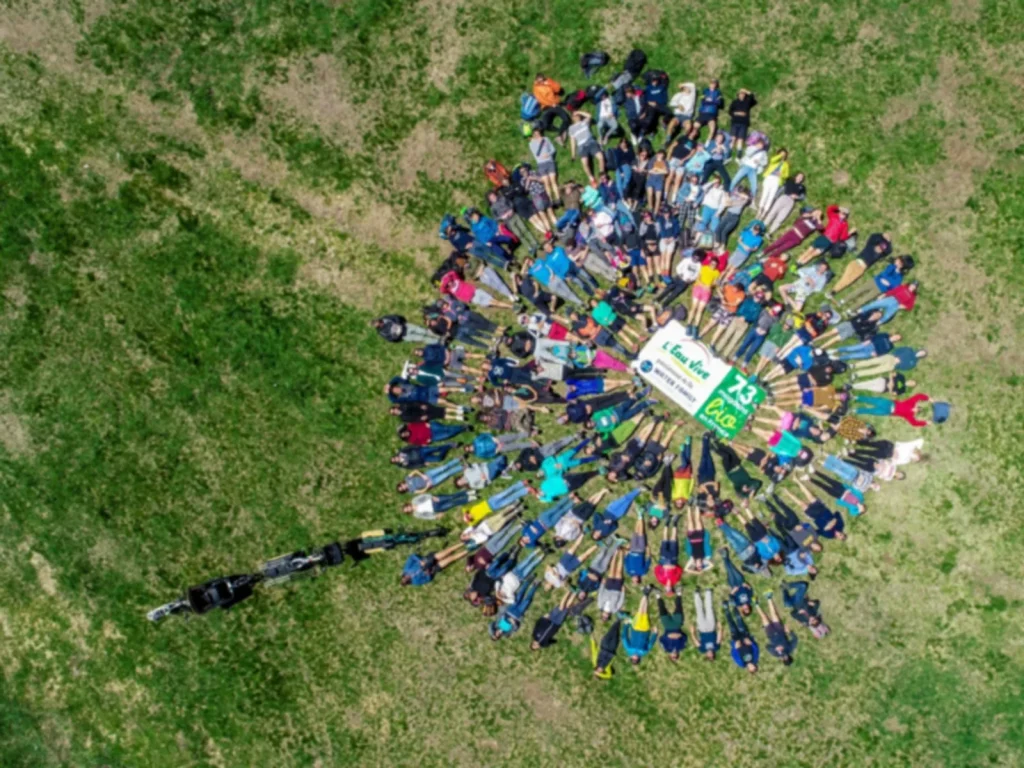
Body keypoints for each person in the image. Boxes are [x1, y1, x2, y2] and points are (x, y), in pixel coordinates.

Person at [829, 232, 893, 294]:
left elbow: (889, 251)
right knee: (845, 277)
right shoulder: (870, 246)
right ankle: (833, 290)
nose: (879, 249)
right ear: (877, 245)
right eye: (879, 247)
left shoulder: (878, 256)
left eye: (881, 250)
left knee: (849, 281)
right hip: (855, 263)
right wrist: (882, 235)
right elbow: (873, 236)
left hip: (861, 269)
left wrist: (889, 242)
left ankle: (834, 291)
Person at [755, 592, 799, 665]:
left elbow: (767, 647)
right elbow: (795, 639)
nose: (785, 656)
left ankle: (756, 604)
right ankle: (769, 597)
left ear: (782, 660)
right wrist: (789, 632)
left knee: (764, 617)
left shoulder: (775, 654)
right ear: (789, 656)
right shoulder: (790, 648)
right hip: (780, 630)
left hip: (770, 634)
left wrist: (774, 648)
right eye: (787, 657)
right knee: (774, 614)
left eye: (784, 659)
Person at [852, 392, 941, 427]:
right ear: (917, 406)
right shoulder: (911, 403)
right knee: (872, 400)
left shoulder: (909, 415)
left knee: (871, 411)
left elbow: (914, 423)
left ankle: (855, 410)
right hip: (888, 403)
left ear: (917, 412)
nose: (916, 409)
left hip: (887, 411)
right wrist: (929, 398)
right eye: (918, 407)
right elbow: (918, 396)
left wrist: (925, 422)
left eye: (918, 410)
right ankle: (856, 397)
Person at [400, 541, 469, 586]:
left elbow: (412, 556)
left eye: (405, 578)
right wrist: (428, 574)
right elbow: (428, 579)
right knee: (450, 559)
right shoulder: (415, 582)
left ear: (403, 576)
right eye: (407, 580)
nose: (407, 578)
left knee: (447, 551)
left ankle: (463, 543)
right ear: (408, 582)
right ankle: (468, 550)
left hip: (427, 561)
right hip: (433, 569)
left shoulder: (407, 569)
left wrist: (420, 561)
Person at [622, 587, 658, 665]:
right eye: (636, 659)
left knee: (640, 611)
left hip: (635, 628)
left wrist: (626, 625)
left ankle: (645, 593)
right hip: (645, 630)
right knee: (645, 612)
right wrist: (655, 634)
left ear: (631, 657)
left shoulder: (629, 649)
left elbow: (624, 638)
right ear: (639, 659)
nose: (635, 657)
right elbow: (650, 644)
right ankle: (646, 594)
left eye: (633, 658)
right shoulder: (644, 652)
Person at [723, 600, 759, 673]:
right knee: (739, 619)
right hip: (745, 636)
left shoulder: (741, 664)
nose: (752, 666)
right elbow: (756, 648)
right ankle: (734, 606)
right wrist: (751, 643)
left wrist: (735, 647)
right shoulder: (755, 658)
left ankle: (726, 608)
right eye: (754, 666)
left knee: (731, 623)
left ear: (748, 669)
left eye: (751, 668)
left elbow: (734, 655)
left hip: (737, 641)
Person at [568, 110, 605, 181]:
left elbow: (589, 116)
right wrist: (573, 154)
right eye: (575, 116)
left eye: (578, 115)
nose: (577, 117)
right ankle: (591, 178)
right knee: (585, 163)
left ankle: (602, 175)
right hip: (581, 146)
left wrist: (578, 112)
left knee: (601, 157)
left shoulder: (584, 122)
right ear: (572, 118)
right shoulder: (571, 128)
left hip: (591, 142)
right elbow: (572, 141)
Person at [397, 458, 466, 494]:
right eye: (402, 489)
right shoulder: (411, 491)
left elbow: (415, 471)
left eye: (401, 486)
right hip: (432, 482)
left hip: (428, 474)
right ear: (404, 490)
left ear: (401, 484)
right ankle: (461, 467)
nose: (403, 487)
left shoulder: (407, 479)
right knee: (446, 474)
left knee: (444, 468)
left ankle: (457, 460)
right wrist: (427, 486)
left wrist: (422, 475)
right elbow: (421, 492)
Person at [689, 587, 723, 660]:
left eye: (709, 656)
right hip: (711, 627)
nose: (710, 654)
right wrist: (720, 628)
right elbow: (719, 639)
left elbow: (696, 641)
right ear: (714, 654)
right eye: (712, 655)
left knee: (699, 610)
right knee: (709, 609)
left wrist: (692, 632)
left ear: (706, 655)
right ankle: (708, 593)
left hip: (702, 628)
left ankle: (696, 594)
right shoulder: (716, 648)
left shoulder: (702, 649)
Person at [653, 514, 683, 594]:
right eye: (671, 590)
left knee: (665, 539)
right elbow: (680, 570)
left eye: (667, 590)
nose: (669, 588)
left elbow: (656, 570)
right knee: (673, 539)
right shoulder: (676, 580)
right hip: (673, 559)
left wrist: (662, 565)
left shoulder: (661, 580)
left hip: (664, 558)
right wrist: (674, 566)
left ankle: (667, 522)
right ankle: (675, 522)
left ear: (665, 589)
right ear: (672, 589)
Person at [757, 148, 790, 219]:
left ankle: (764, 212)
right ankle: (759, 210)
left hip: (777, 180)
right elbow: (772, 160)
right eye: (781, 153)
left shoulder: (786, 164)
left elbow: (787, 175)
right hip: (769, 177)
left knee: (771, 197)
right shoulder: (775, 160)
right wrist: (780, 156)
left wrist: (781, 174)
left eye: (784, 154)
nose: (783, 155)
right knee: (764, 195)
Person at [597, 547, 626, 621]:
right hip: (616, 590)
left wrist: (602, 584)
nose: (605, 615)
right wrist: (623, 592)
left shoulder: (600, 605)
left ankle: (616, 553)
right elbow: (621, 601)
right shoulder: (614, 610)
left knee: (612, 570)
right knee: (619, 572)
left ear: (602, 614)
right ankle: (621, 554)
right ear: (609, 616)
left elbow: (600, 594)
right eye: (606, 617)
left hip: (608, 587)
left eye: (603, 616)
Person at [722, 550, 755, 615]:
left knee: (729, 570)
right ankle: (725, 556)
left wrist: (733, 590)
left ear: (742, 609)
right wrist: (746, 585)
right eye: (747, 608)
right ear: (749, 607)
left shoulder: (738, 604)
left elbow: (731, 596)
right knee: (733, 569)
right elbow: (750, 589)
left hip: (733, 585)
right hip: (740, 582)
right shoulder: (749, 600)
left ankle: (725, 556)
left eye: (744, 609)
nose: (745, 607)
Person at [727, 88, 757, 157]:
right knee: (733, 137)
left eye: (744, 94)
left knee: (741, 138)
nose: (742, 95)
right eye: (741, 93)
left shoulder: (747, 102)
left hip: (744, 122)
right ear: (738, 95)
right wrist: (737, 113)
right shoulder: (734, 102)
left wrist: (747, 91)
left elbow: (753, 98)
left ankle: (739, 151)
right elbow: (730, 111)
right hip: (735, 122)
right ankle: (730, 150)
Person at [623, 511, 652, 583]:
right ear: (639, 579)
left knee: (635, 532)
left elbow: (626, 559)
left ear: (632, 579)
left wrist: (627, 548)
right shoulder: (643, 572)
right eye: (637, 580)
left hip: (632, 549)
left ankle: (638, 517)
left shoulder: (629, 571)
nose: (635, 579)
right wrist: (648, 551)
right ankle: (640, 516)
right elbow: (648, 560)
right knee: (641, 533)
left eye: (634, 580)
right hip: (640, 550)